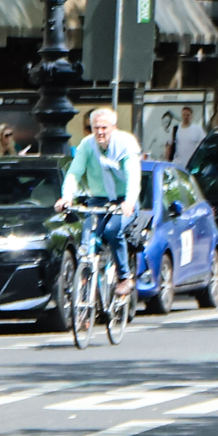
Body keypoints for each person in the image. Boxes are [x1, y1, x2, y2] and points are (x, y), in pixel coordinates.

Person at [58, 105, 142, 304]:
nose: (100, 132)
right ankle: (86, 291)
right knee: (87, 241)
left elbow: (133, 177)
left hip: (123, 199)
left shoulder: (126, 143)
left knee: (113, 230)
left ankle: (124, 277)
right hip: (99, 200)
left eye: (104, 127)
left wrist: (129, 202)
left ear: (114, 127)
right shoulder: (87, 145)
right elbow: (74, 173)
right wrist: (67, 196)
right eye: (96, 127)